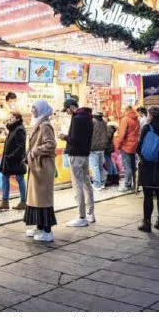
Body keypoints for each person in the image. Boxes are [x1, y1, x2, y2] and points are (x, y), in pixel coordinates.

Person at [23, 99, 58, 242]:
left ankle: (47, 231)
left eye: (34, 107)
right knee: (36, 198)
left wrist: (35, 151)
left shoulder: (45, 125)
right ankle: (40, 227)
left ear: (41, 108)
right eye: (32, 107)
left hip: (43, 167)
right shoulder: (40, 123)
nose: (32, 110)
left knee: (43, 199)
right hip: (37, 166)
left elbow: (51, 144)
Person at [62, 95, 96, 227]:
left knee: (78, 185)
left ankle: (81, 216)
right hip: (85, 154)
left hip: (76, 154)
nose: (67, 112)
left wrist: (64, 137)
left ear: (72, 107)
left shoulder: (77, 118)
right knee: (87, 183)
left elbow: (74, 139)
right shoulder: (88, 117)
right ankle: (90, 213)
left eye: (67, 110)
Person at [0, 102, 28, 215]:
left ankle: (24, 201)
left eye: (12, 117)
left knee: (19, 179)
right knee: (5, 177)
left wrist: (11, 156)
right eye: (10, 117)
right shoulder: (13, 128)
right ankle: (5, 201)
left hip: (15, 159)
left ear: (18, 119)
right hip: (9, 160)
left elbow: (21, 147)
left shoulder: (19, 129)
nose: (10, 118)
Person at [117, 102, 142, 192]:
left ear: (126, 110)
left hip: (126, 145)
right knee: (132, 166)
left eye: (123, 109)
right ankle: (135, 184)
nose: (121, 110)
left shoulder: (125, 119)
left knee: (127, 166)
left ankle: (127, 185)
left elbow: (122, 134)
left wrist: (118, 144)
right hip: (134, 145)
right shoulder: (136, 119)